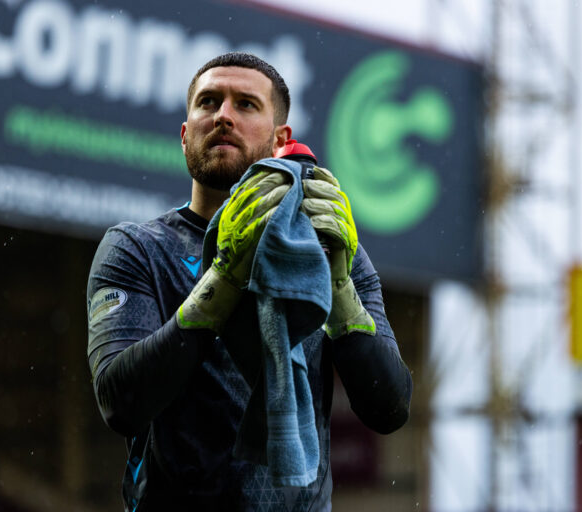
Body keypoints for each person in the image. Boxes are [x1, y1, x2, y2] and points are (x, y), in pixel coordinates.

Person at [86, 52, 412, 511]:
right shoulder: (135, 248)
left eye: (245, 104)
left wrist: (339, 289)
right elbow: (120, 403)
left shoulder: (334, 250)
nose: (222, 116)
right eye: (208, 102)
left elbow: (391, 408)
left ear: (281, 140)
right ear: (185, 135)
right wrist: (224, 278)